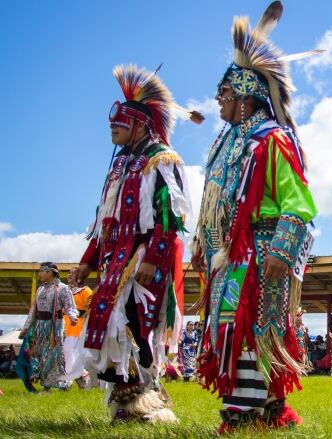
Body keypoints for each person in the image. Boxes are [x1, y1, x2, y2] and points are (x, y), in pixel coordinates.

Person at [191, 3, 320, 431]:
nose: (218, 101)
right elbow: (214, 201)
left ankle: (250, 414)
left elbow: (298, 202)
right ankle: (259, 410)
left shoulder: (273, 141)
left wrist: (283, 248)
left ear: (245, 95)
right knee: (231, 328)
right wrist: (202, 244)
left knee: (255, 328)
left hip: (263, 250)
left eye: (224, 95)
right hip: (229, 254)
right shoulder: (224, 147)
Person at [75, 65, 199, 423]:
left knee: (136, 321)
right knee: (111, 322)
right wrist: (89, 260)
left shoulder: (162, 159)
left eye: (120, 121)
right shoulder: (120, 166)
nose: (112, 126)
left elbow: (171, 216)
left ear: (141, 123)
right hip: (116, 258)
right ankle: (125, 402)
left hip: (145, 255)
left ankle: (147, 399)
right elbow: (105, 220)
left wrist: (154, 259)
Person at [19, 262, 77, 390]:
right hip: (40, 326)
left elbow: (70, 306)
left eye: (41, 271)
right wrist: (26, 328)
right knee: (40, 354)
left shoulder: (63, 288)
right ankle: (51, 383)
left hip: (55, 326)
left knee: (53, 354)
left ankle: (56, 384)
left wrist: (73, 317)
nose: (39, 274)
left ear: (50, 272)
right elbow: (34, 310)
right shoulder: (40, 289)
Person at [63, 269, 93, 388]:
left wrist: (85, 324)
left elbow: (91, 308)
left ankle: (70, 380)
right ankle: (81, 376)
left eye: (72, 273)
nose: (69, 275)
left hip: (78, 326)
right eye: (68, 273)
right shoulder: (66, 291)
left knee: (69, 350)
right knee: (67, 353)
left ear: (80, 276)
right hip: (65, 326)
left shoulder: (86, 291)